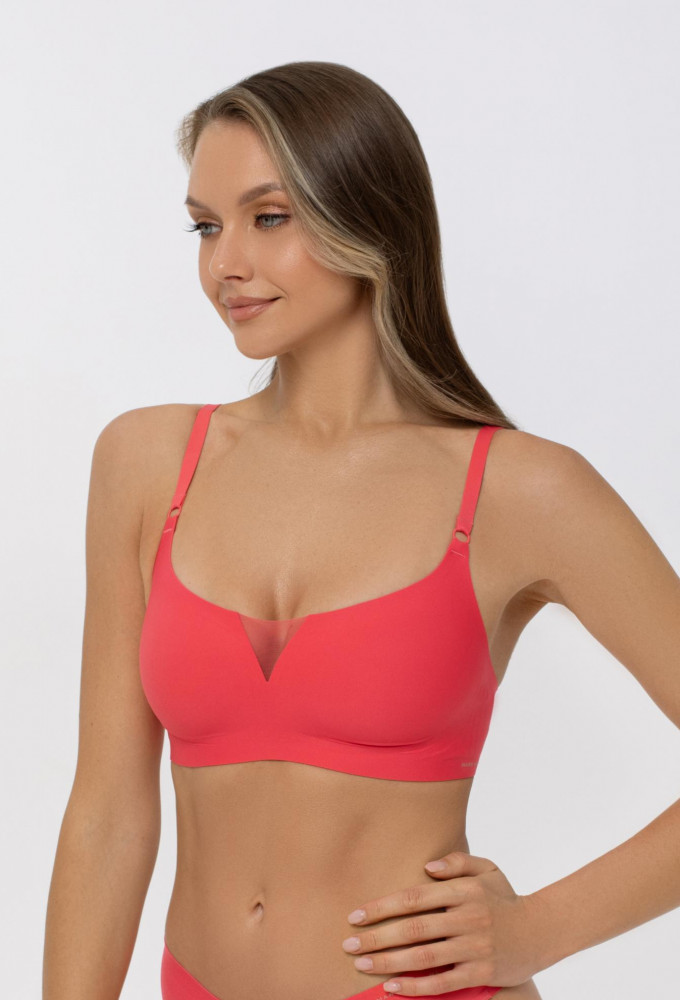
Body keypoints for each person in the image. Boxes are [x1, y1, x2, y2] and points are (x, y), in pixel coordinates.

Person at [42, 61, 680, 1000]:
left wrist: (538, 931)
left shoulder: (520, 491)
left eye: (269, 218)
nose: (224, 265)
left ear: (370, 219)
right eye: (206, 226)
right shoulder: (146, 462)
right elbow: (107, 813)